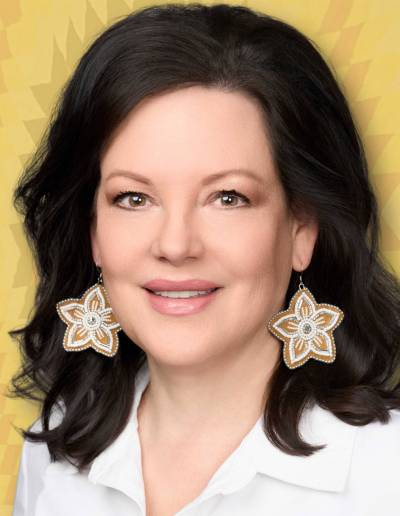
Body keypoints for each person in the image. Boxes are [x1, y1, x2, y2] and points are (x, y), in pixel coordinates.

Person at [8, 3, 400, 516]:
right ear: (93, 231)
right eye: (133, 198)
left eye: (227, 197)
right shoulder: (55, 450)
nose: (175, 245)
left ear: (302, 228)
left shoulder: (387, 471)